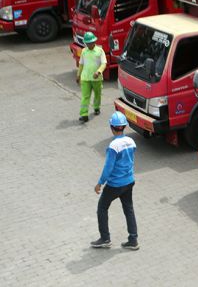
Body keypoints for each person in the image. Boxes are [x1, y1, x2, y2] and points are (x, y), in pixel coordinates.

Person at [91, 112, 139, 250]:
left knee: (102, 208)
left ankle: (105, 238)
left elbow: (108, 168)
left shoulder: (113, 146)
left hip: (115, 184)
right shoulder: (131, 141)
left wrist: (100, 183)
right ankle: (133, 239)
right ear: (124, 126)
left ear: (112, 127)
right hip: (129, 181)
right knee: (128, 209)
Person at [76, 31, 106, 123]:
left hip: (97, 78)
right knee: (85, 96)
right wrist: (78, 75)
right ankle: (84, 114)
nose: (89, 45)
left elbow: (104, 63)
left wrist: (99, 71)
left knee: (97, 95)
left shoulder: (100, 51)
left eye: (90, 43)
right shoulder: (84, 51)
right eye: (87, 43)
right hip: (85, 78)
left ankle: (96, 108)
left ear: (94, 41)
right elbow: (81, 64)